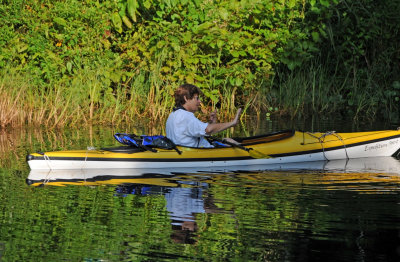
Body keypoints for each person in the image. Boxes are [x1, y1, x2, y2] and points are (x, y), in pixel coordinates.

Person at [166, 83, 242, 148]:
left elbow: (202, 131)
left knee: (227, 140)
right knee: (230, 141)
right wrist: (232, 123)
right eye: (197, 98)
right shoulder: (186, 116)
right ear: (186, 98)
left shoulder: (173, 114)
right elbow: (208, 130)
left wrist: (212, 123)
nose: (200, 101)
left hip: (183, 152)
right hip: (199, 154)